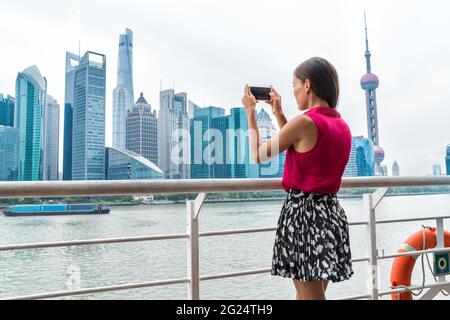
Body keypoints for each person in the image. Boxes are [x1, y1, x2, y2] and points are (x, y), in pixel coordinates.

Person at [242, 57, 353, 300]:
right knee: (308, 295)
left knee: (310, 297)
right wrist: (279, 113)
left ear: (307, 85)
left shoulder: (304, 123)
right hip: (330, 213)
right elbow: (301, 146)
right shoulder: (342, 125)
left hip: (304, 217)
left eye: (294, 84)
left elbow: (259, 155)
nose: (292, 91)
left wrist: (250, 113)